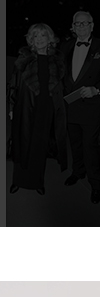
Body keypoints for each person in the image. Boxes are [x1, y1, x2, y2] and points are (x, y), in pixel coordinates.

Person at [60, 10, 100, 205]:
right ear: (73, 27)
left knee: (91, 146)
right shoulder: (65, 47)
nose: (81, 26)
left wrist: (96, 89)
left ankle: (96, 184)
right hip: (70, 105)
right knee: (74, 143)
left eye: (85, 23)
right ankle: (78, 171)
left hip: (91, 106)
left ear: (92, 25)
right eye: (77, 23)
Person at [8, 23, 67, 196]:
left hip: (46, 109)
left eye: (43, 35)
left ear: (49, 38)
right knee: (22, 143)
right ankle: (18, 180)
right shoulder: (24, 59)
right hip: (24, 106)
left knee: (40, 146)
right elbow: (13, 84)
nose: (39, 39)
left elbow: (63, 87)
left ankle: (37, 182)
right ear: (31, 40)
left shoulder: (57, 61)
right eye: (35, 36)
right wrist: (11, 107)